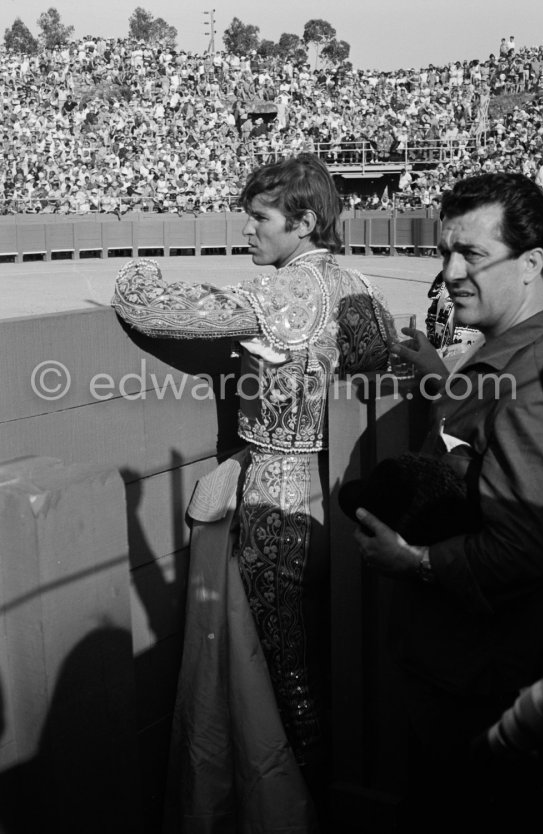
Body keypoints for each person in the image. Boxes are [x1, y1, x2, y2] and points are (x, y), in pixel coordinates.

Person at [112, 154, 393, 833]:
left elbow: (159, 311)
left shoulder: (291, 293)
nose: (246, 228)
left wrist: (134, 273)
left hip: (277, 499)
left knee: (281, 672)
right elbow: (375, 351)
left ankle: (298, 811)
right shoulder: (353, 281)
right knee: (320, 662)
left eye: (260, 217)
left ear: (302, 221)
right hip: (331, 492)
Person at [352, 172, 543, 833]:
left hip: (485, 681)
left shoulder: (528, 381)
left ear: (532, 264)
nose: (449, 272)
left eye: (470, 254)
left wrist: (413, 562)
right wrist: (446, 376)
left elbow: (525, 544)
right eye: (444, 252)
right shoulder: (516, 356)